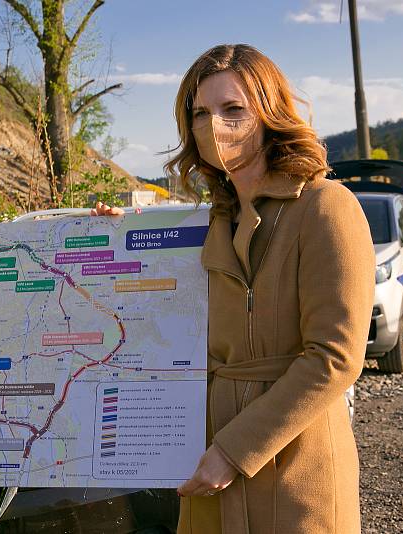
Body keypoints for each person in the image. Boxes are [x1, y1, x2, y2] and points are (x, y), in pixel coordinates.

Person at [94, 44, 375, 533]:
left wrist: (232, 451)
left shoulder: (327, 207)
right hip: (205, 468)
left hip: (295, 471)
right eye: (200, 112)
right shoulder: (210, 220)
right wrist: (113, 241)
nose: (214, 126)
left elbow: (335, 358)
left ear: (269, 113)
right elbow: (144, 301)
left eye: (233, 109)